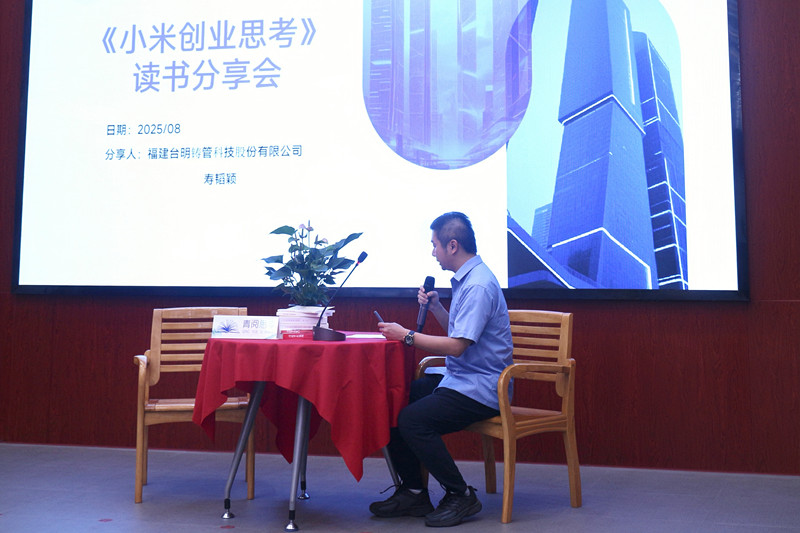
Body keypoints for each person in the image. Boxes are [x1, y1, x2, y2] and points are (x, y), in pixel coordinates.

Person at [373, 211, 513, 527]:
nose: (432, 252)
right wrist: (436, 306)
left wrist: (406, 335)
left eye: (434, 245)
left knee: (413, 420)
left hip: (482, 387)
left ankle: (460, 494)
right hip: (461, 379)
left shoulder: (478, 285)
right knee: (394, 400)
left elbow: (457, 346)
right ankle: (414, 492)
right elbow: (461, 334)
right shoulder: (468, 280)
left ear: (452, 245)